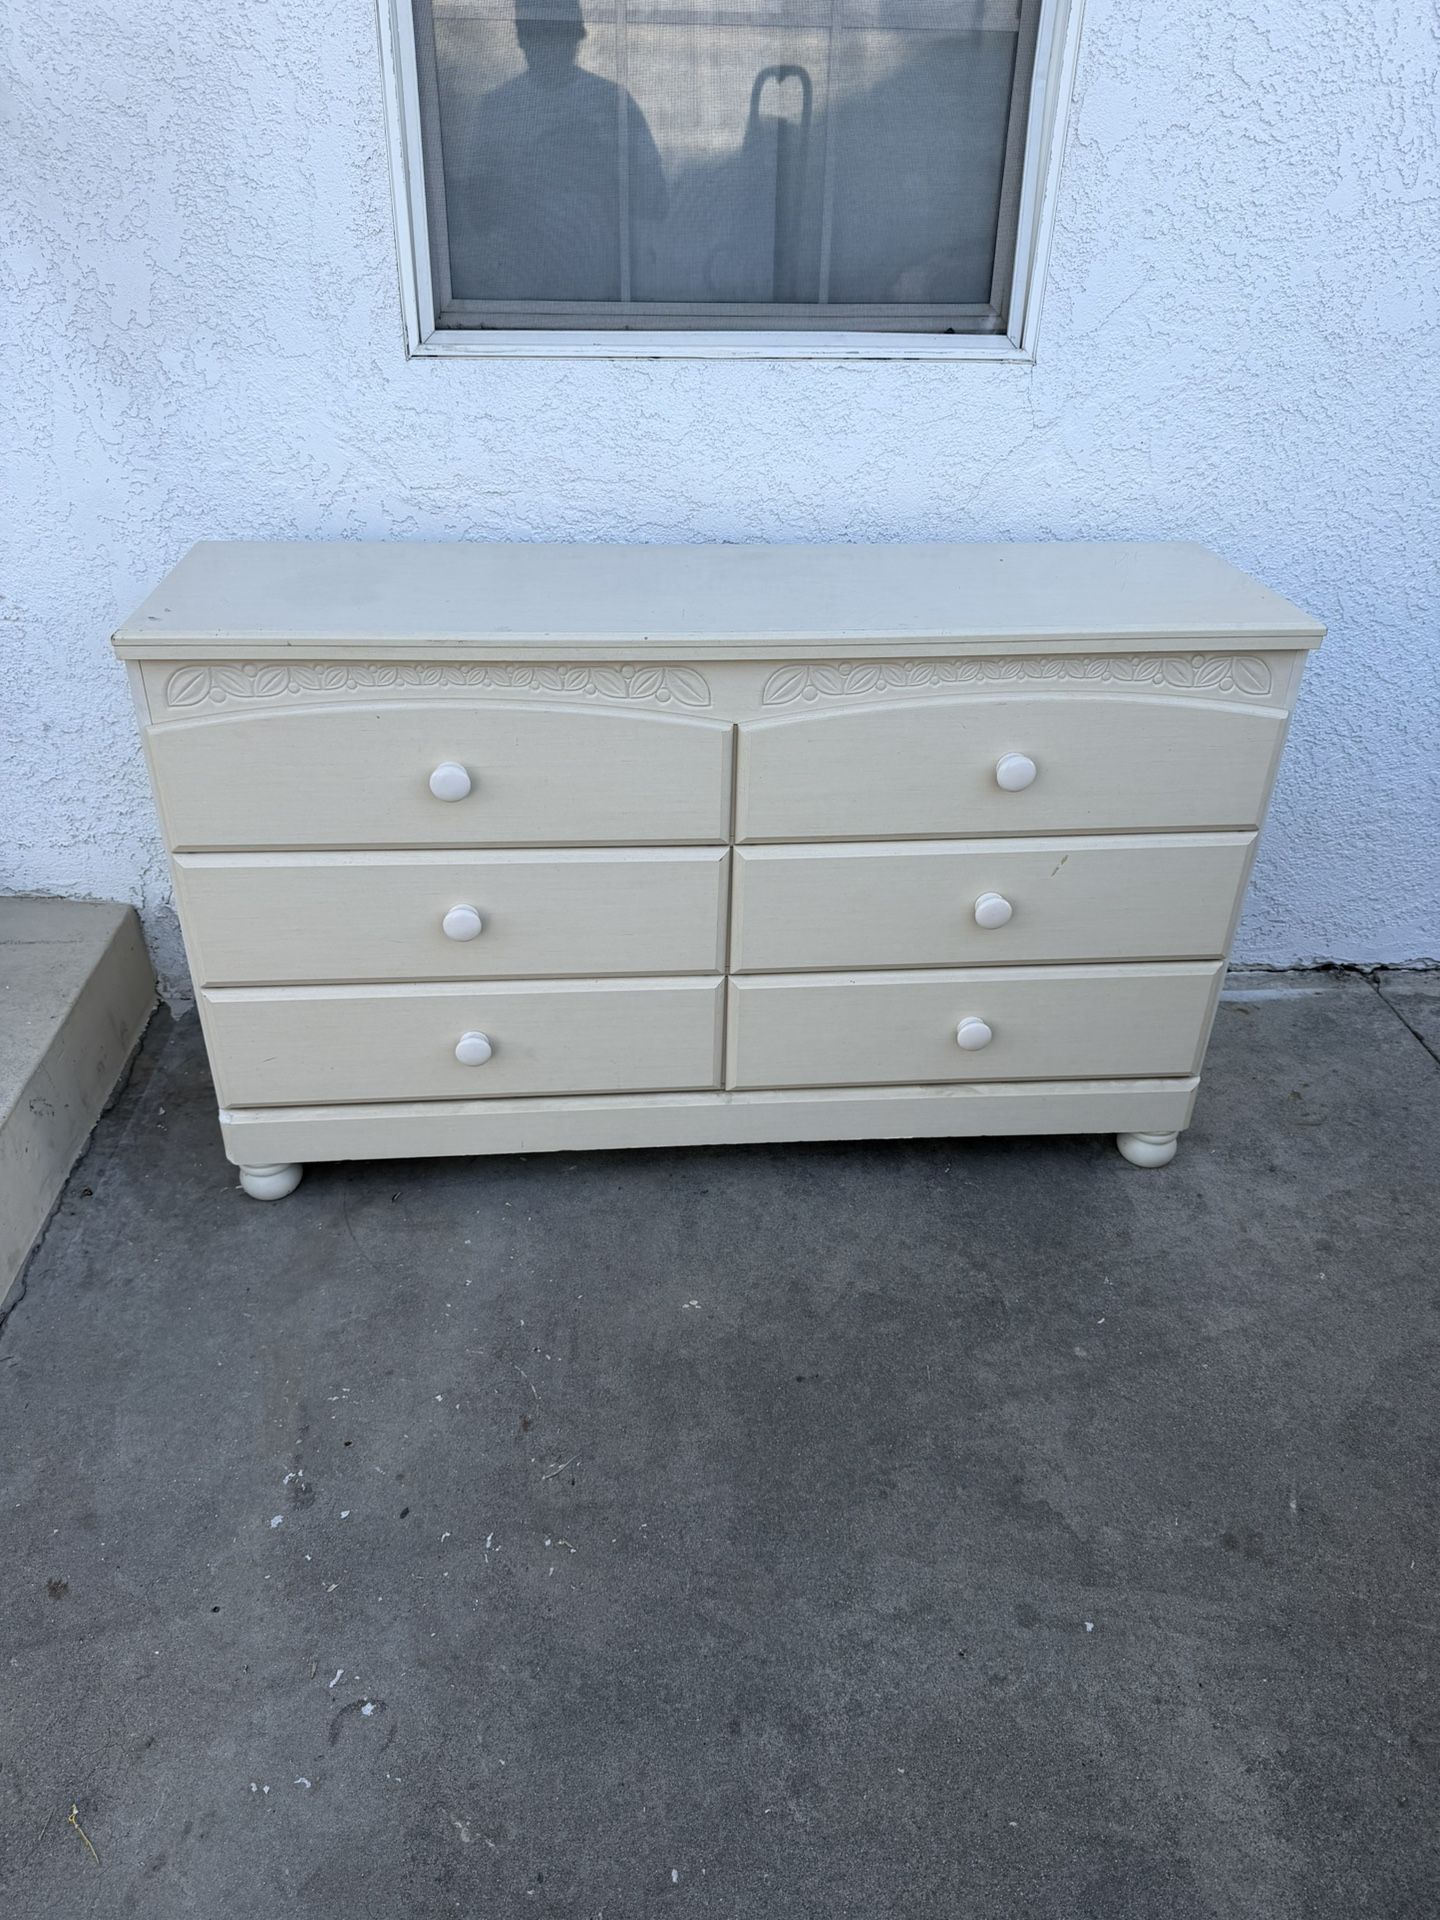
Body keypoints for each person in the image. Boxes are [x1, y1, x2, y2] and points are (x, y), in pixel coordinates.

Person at [452, 0, 667, 304]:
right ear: (522, 39)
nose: (550, 47)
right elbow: (477, 218)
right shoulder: (497, 110)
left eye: (558, 34)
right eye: (540, 34)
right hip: (519, 303)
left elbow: (656, 201)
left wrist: (599, 163)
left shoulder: (613, 105)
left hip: (604, 301)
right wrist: (525, 177)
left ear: (576, 38)